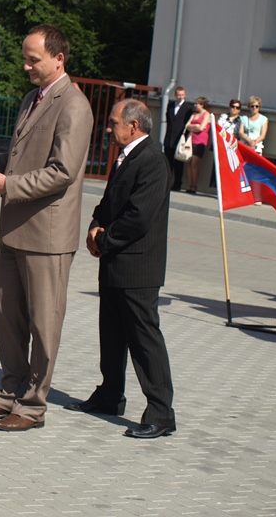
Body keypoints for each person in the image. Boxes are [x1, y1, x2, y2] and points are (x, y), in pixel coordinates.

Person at [0, 24, 94, 431]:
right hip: (15, 228)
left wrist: (8, 185)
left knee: (43, 322)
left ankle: (32, 406)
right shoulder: (31, 98)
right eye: (24, 58)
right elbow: (23, 154)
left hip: (47, 234)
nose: (25, 66)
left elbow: (62, 171)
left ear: (59, 58)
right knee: (7, 316)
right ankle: (9, 393)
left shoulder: (74, 105)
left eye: (33, 59)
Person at [65, 99, 176, 439]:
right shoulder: (125, 157)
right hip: (114, 263)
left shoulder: (153, 161)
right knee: (111, 334)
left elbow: (139, 216)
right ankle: (110, 395)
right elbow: (109, 204)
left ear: (134, 125)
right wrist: (94, 228)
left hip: (137, 268)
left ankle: (161, 411)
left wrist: (105, 239)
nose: (109, 128)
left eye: (113, 123)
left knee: (143, 340)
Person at [163, 86, 194, 192]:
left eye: (182, 95)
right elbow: (168, 120)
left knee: (178, 163)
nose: (180, 97)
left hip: (180, 138)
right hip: (169, 137)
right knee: (168, 162)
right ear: (175, 95)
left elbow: (187, 124)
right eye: (179, 95)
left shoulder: (188, 108)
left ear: (185, 95)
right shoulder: (170, 105)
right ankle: (166, 182)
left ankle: (177, 184)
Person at [184, 96, 211, 194]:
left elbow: (201, 128)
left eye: (197, 104)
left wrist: (194, 127)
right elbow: (187, 126)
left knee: (195, 163)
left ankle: (194, 186)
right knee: (189, 163)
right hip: (190, 140)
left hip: (200, 142)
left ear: (202, 105)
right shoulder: (194, 114)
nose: (195, 105)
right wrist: (195, 126)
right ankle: (189, 185)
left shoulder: (206, 114)